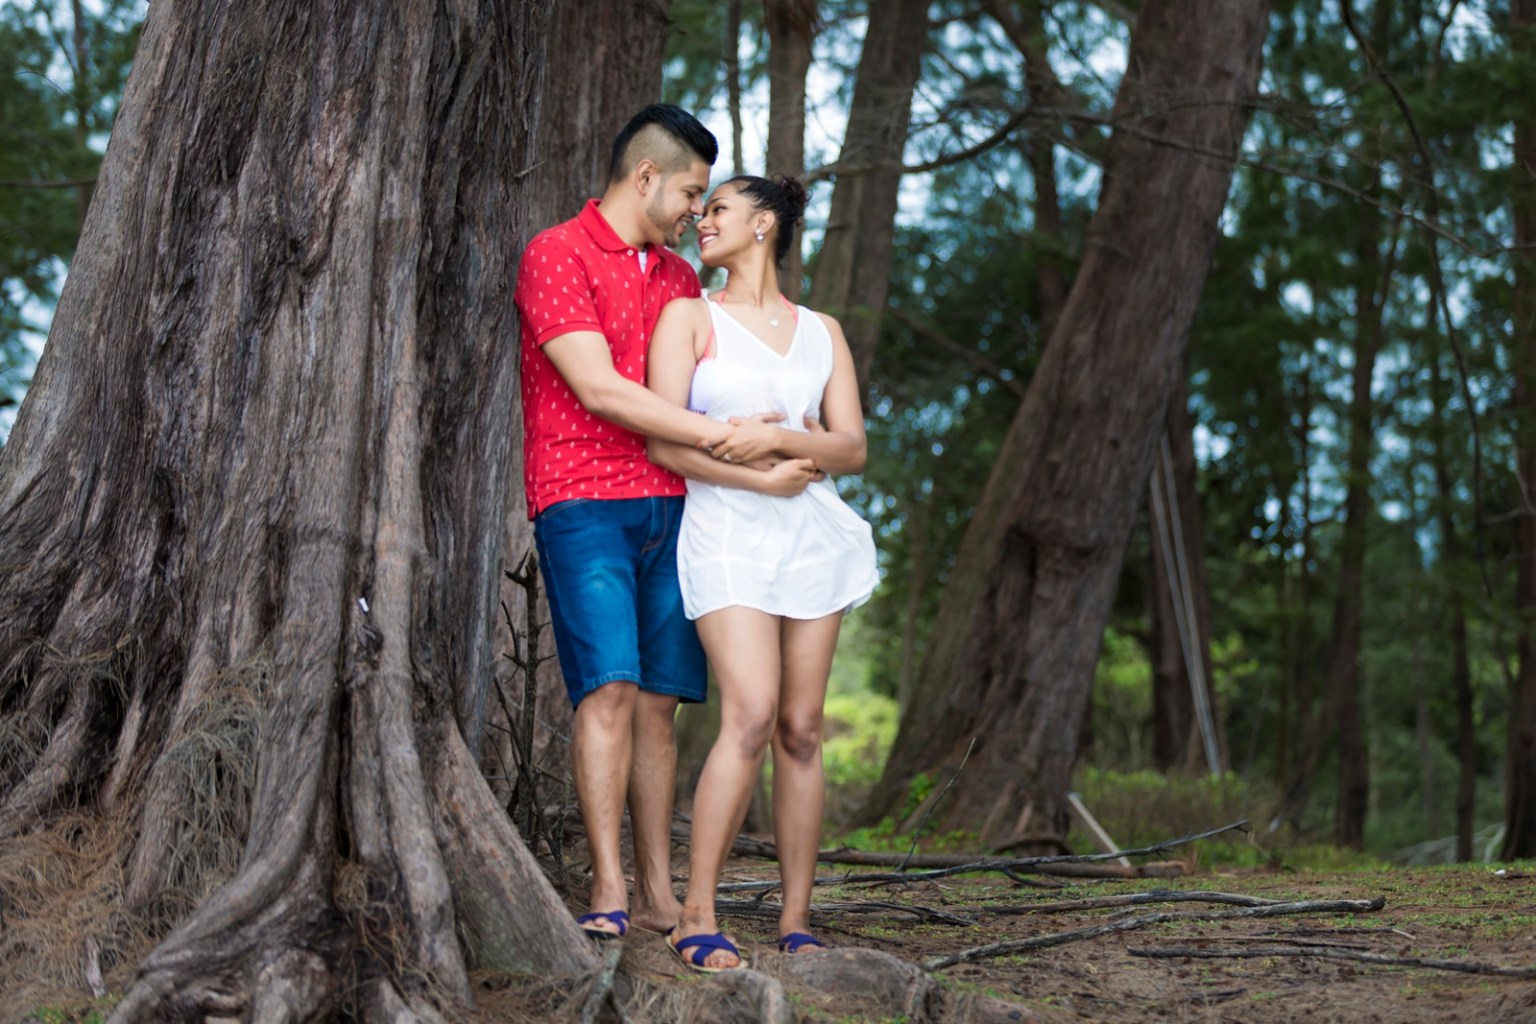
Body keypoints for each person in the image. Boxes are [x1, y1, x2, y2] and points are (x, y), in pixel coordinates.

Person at [514, 105, 810, 939]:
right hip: (582, 500)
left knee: (659, 704)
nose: (694, 213)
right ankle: (607, 889)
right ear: (645, 176)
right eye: (688, 193)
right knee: (608, 687)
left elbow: (720, 382)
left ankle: (655, 890)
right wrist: (727, 437)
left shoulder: (682, 282)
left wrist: (784, 443)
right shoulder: (556, 253)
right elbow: (600, 389)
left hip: (680, 506)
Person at [646, 174, 879, 970]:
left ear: (764, 224)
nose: (702, 221)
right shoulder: (690, 317)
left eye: (718, 209)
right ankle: (697, 915)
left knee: (802, 728)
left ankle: (797, 919)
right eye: (702, 209)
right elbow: (665, 441)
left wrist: (780, 442)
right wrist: (757, 472)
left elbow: (851, 447)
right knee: (749, 713)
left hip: (811, 535)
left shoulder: (822, 331)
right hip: (726, 531)